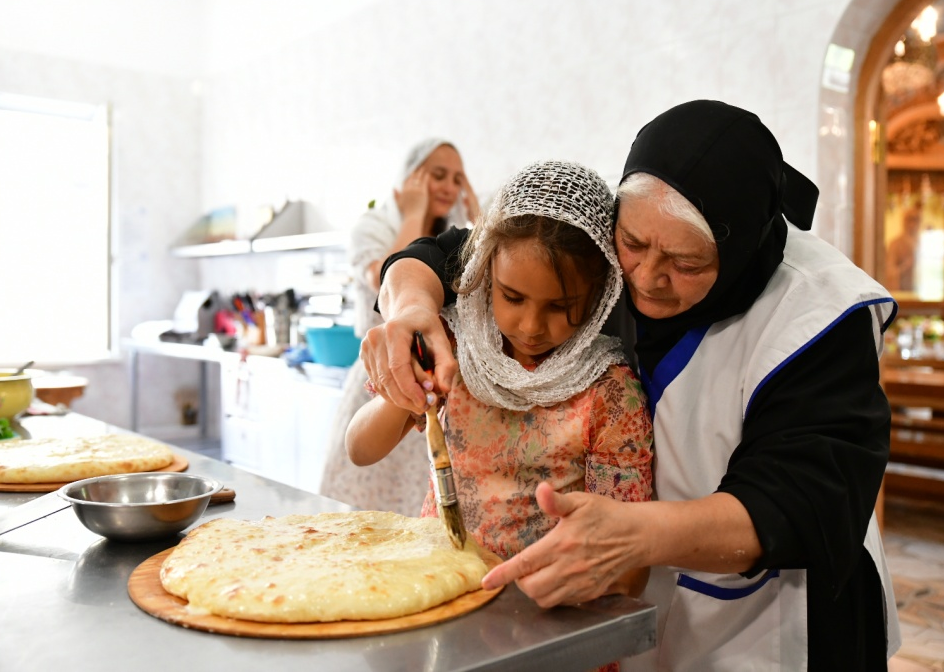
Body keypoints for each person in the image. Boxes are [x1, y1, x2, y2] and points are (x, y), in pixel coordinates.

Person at [361, 101, 901, 671]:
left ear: (741, 250)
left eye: (684, 263)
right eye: (634, 244)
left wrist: (635, 536)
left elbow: (802, 500)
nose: (643, 278)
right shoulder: (619, 240)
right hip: (646, 599)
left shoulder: (819, 317)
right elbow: (454, 251)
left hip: (783, 619)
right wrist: (408, 308)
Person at [346, 161, 654, 569]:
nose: (530, 327)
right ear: (487, 273)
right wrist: (406, 396)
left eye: (560, 307)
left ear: (599, 296)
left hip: (541, 598)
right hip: (440, 578)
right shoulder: (453, 347)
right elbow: (360, 449)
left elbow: (623, 559)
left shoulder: (610, 393)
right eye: (512, 297)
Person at [318, 138, 478, 516]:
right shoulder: (371, 227)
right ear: (408, 180)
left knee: (420, 510)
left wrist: (474, 210)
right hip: (382, 380)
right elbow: (385, 276)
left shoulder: (452, 236)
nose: (448, 186)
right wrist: (413, 213)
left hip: (434, 385)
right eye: (436, 175)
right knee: (365, 512)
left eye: (457, 179)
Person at [886, 201, 922, 292]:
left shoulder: (923, 244)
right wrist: (905, 266)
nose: (912, 224)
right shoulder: (895, 244)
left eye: (916, 220)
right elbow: (890, 272)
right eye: (910, 219)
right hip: (903, 296)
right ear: (904, 221)